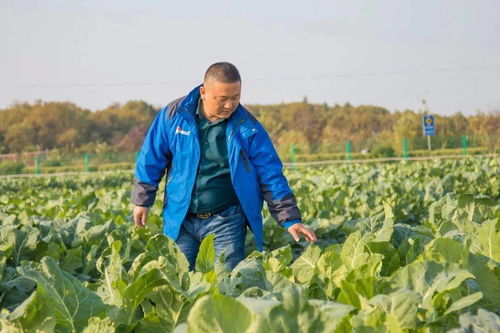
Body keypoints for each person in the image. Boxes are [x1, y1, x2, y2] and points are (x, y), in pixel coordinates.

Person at [131, 62, 317, 270]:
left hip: (226, 220)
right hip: (181, 218)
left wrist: (290, 218)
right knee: (179, 284)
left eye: (235, 98)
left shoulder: (248, 127)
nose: (230, 105)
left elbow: (270, 173)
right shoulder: (174, 116)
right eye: (223, 99)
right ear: (204, 92)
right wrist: (142, 200)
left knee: (226, 285)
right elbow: (151, 158)